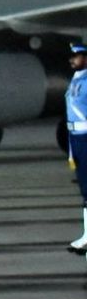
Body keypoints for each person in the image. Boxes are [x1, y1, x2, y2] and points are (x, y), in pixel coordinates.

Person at [65, 43, 87, 252]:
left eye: (77, 56)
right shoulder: (76, 80)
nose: (72, 60)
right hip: (76, 138)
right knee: (84, 188)